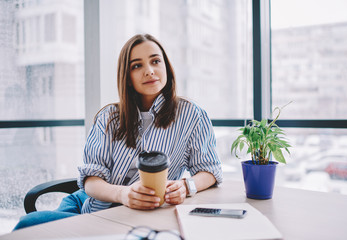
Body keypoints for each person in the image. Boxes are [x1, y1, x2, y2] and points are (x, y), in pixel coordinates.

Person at [13, 33, 222, 229]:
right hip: (91, 204)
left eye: (155, 61)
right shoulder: (109, 117)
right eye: (137, 65)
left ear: (166, 66)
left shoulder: (192, 115)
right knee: (30, 226)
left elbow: (210, 170)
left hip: (133, 216)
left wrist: (186, 186)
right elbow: (91, 180)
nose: (149, 70)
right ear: (127, 76)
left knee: (31, 226)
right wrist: (124, 194)